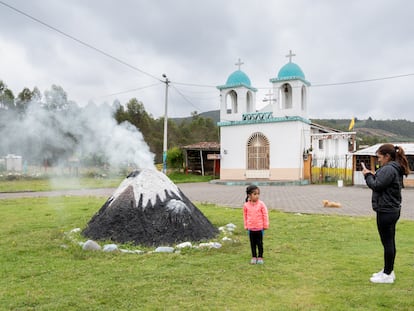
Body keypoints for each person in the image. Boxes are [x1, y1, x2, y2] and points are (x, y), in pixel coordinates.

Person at [362, 143, 410, 283]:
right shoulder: (393, 168)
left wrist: (367, 176)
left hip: (386, 211)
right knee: (389, 242)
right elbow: (381, 182)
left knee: (388, 243)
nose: (378, 160)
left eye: (380, 157)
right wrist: (372, 174)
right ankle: (388, 271)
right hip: (391, 210)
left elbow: (376, 185)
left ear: (387, 156)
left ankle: (388, 275)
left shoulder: (389, 169)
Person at [243, 185, 269, 264]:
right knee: (252, 244)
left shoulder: (261, 204)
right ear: (249, 195)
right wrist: (246, 226)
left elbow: (265, 214)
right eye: (255, 194)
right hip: (251, 229)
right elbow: (245, 216)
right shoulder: (246, 205)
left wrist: (265, 225)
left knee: (260, 243)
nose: (257, 196)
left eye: (258, 194)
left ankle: (260, 257)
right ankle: (254, 256)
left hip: (259, 228)